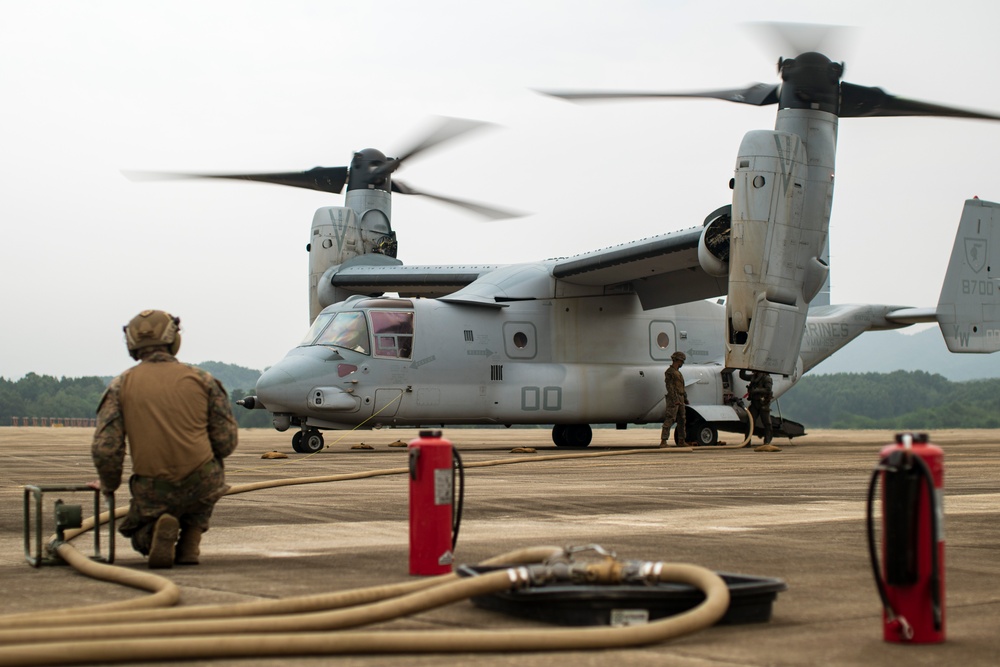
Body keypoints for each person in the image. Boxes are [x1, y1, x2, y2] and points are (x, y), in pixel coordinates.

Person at [91, 310, 239, 568]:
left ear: (132, 344)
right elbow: (226, 443)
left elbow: (107, 449)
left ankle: (151, 535)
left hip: (153, 489)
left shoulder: (120, 385)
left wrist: (108, 484)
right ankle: (191, 539)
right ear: (173, 340)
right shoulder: (203, 380)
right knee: (208, 479)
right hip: (202, 482)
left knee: (135, 529)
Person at [659, 351, 691, 447]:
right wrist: (674, 399)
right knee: (670, 418)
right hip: (674, 398)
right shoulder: (670, 372)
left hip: (680, 398)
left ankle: (681, 440)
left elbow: (681, 387)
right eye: (681, 361)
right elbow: (670, 387)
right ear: (677, 360)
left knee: (682, 419)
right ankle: (663, 441)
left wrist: (685, 398)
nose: (682, 363)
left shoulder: (678, 373)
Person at [739, 369, 774, 446]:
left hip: (763, 403)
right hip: (754, 403)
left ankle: (767, 441)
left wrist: (757, 390)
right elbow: (743, 376)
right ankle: (747, 442)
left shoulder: (767, 378)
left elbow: (768, 389)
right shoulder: (754, 377)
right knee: (750, 422)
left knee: (767, 423)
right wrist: (743, 368)